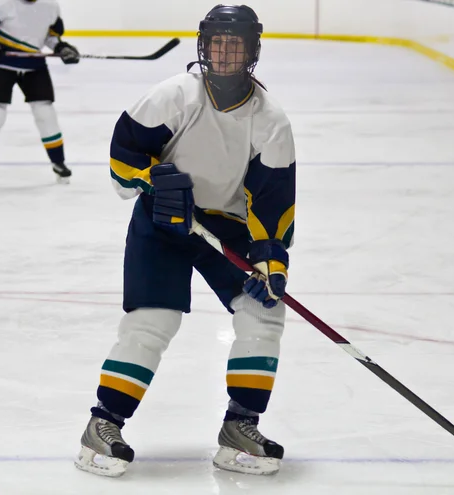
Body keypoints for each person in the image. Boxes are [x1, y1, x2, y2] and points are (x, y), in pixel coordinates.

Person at [74, 4, 296, 478]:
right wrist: (154, 181)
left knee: (264, 310)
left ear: (252, 51)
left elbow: (273, 202)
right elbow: (122, 159)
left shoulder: (270, 120)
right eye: (218, 43)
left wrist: (271, 261)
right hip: (160, 224)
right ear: (204, 46)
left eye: (235, 45)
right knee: (153, 321)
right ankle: (103, 424)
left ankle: (240, 426)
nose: (225, 53)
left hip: (226, 226)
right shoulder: (173, 96)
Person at [0, 0, 80, 188]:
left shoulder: (51, 6)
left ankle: (58, 163)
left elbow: (51, 37)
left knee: (46, 112)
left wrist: (61, 48)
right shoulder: (1, 3)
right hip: (1, 62)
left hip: (34, 63)